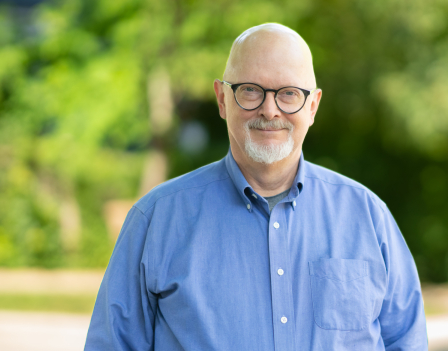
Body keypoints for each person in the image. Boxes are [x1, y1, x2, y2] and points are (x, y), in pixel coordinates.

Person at [84, 23, 427, 351]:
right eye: (250, 90)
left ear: (313, 106)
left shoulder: (368, 217)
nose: (269, 109)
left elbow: (407, 343)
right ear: (222, 99)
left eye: (289, 94)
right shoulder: (155, 220)